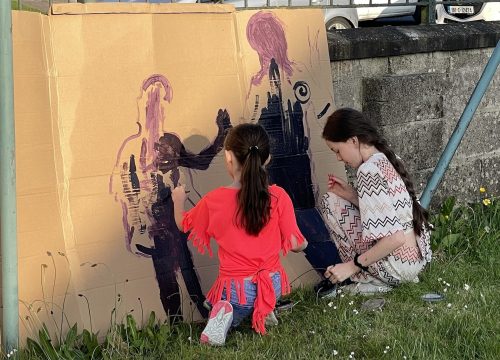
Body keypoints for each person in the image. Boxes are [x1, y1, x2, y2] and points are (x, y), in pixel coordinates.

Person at [172, 123, 307, 345]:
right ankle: (264, 308)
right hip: (272, 284)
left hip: (237, 291)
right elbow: (296, 243)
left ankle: (223, 314)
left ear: (229, 157)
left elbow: (183, 224)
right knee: (260, 285)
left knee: (215, 301)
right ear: (267, 158)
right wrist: (305, 243)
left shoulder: (214, 200)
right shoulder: (279, 196)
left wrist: (178, 201)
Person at [320, 108, 432, 295]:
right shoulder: (389, 158)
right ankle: (383, 279)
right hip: (414, 263)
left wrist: (351, 266)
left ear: (353, 140)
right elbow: (393, 215)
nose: (338, 158)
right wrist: (353, 196)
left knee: (329, 202)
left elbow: (395, 237)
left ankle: (367, 280)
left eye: (337, 151)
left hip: (396, 269)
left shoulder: (368, 171)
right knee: (337, 200)